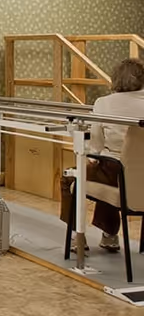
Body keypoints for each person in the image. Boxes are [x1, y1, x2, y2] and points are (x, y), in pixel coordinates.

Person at [60, 58, 144, 252]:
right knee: (116, 173)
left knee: (72, 176)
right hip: (139, 177)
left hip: (115, 170)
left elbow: (96, 145)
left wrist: (91, 154)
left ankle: (77, 236)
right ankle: (109, 235)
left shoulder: (104, 103)